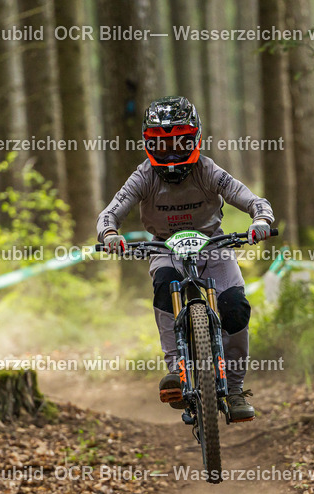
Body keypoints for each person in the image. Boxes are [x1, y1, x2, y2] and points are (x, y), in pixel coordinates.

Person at [96, 96, 275, 422]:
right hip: (165, 248)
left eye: (180, 143)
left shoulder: (207, 170)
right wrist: (109, 235)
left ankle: (234, 390)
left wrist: (261, 220)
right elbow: (110, 213)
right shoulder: (144, 176)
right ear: (148, 144)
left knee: (235, 306)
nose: (171, 153)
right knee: (164, 284)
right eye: (162, 146)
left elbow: (250, 198)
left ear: (196, 140)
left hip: (213, 246)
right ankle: (178, 374)